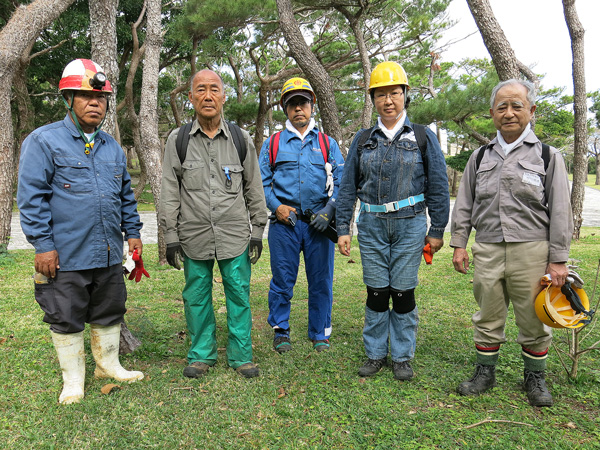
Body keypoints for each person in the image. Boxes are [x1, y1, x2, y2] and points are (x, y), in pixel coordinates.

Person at [17, 59, 145, 405]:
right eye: (86, 96)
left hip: (107, 252)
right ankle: (73, 381)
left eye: (100, 98)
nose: (95, 103)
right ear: (68, 99)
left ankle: (108, 365)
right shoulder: (44, 141)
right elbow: (31, 199)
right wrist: (43, 246)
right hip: (65, 254)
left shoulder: (112, 147)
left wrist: (133, 234)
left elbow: (125, 197)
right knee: (66, 313)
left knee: (109, 309)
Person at [450, 79, 573, 407]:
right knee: (487, 313)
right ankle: (484, 373)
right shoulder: (479, 157)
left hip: (532, 250)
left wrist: (558, 259)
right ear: (492, 113)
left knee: (534, 316)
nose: (509, 113)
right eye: (502, 107)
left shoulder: (548, 156)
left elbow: (560, 209)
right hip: (488, 247)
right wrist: (459, 243)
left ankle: (534, 378)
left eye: (517, 105)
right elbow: (465, 203)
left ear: (531, 111)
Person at [336, 61, 450, 380]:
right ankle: (375, 353)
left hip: (410, 225)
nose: (388, 100)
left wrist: (437, 229)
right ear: (372, 98)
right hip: (371, 226)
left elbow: (438, 186)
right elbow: (347, 189)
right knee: (376, 291)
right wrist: (343, 228)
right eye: (381, 94)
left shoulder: (423, 138)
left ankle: (401, 355)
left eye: (395, 93)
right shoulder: (362, 140)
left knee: (402, 292)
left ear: (405, 95)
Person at [160, 69, 267, 379]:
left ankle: (241, 356)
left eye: (214, 90)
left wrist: (257, 232)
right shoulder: (177, 140)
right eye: (201, 90)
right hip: (193, 236)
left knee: (238, 294)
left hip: (234, 235)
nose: (208, 96)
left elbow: (253, 187)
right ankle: (201, 354)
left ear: (224, 96)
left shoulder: (239, 139)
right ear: (191, 98)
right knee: (196, 296)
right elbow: (169, 191)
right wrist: (170, 236)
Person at [259, 77, 344, 354]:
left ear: (312, 105)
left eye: (303, 103)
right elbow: (260, 182)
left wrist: (330, 209)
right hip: (284, 225)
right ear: (285, 108)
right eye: (292, 103)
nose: (298, 108)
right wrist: (276, 207)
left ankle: (320, 332)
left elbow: (344, 181)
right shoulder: (272, 143)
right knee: (282, 279)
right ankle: (281, 330)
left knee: (321, 280)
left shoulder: (326, 143)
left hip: (318, 225)